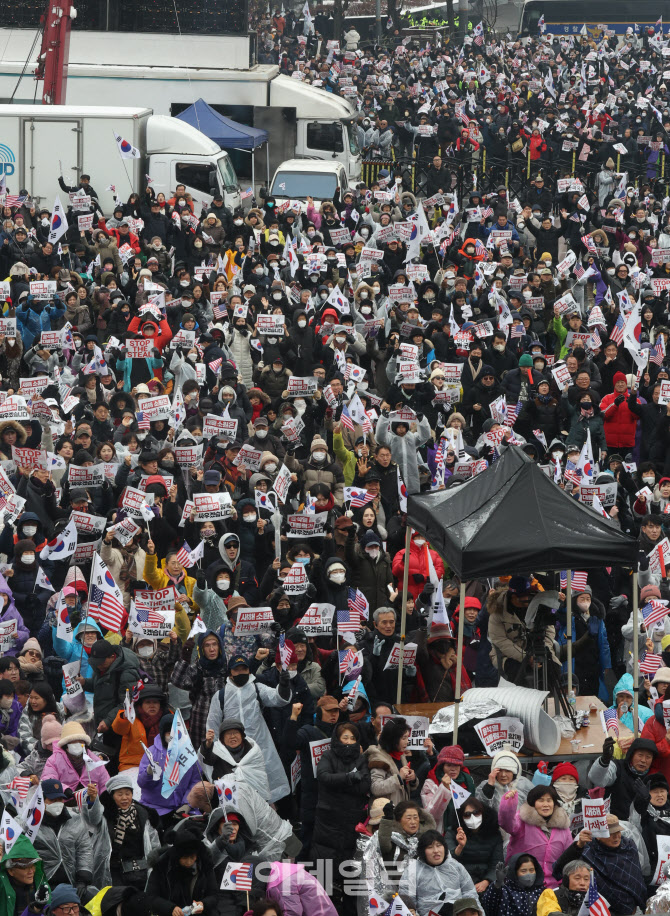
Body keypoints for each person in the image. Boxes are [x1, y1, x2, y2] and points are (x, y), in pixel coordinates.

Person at [553, 814, 648, 916]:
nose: (616, 836)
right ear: (598, 835)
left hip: (633, 910)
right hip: (603, 910)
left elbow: (636, 880)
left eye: (618, 831)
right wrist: (578, 846)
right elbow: (558, 870)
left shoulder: (628, 846)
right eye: (610, 833)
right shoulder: (588, 850)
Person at [498, 785, 572, 889]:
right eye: (541, 800)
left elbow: (568, 856)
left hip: (553, 886)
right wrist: (508, 804)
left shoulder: (563, 827)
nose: (545, 804)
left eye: (549, 800)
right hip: (522, 885)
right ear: (533, 803)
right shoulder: (522, 821)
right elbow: (506, 823)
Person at [398, 830, 479, 915]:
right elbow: (407, 902)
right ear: (422, 851)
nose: (436, 850)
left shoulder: (456, 866)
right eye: (430, 847)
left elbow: (470, 894)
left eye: (439, 845)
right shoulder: (412, 871)